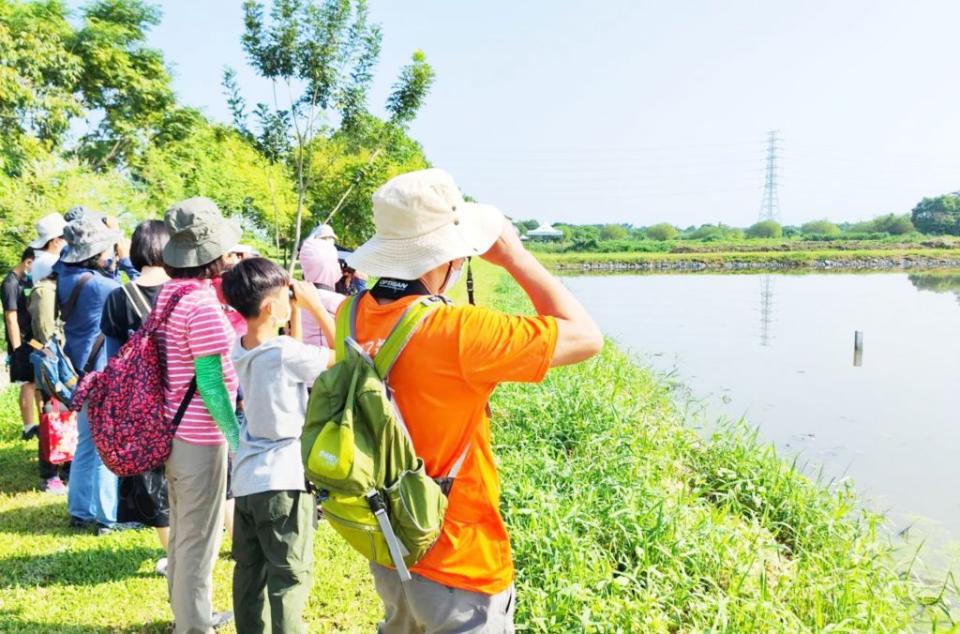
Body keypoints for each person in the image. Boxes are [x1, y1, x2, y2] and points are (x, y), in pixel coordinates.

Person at [343, 168, 603, 633]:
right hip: (459, 559)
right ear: (446, 254)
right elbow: (586, 337)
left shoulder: (352, 312)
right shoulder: (458, 331)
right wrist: (516, 258)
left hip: (390, 541)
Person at [221, 258, 336, 634]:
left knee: (249, 575)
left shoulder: (242, 348)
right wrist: (317, 306)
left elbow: (289, 354)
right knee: (288, 579)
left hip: (249, 480)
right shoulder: (284, 352)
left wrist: (294, 313)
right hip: (284, 481)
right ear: (271, 308)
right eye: (287, 297)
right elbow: (347, 361)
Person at [156, 197, 241, 633]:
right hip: (200, 439)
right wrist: (239, 442)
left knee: (187, 534)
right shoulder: (202, 305)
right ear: (213, 256)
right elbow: (211, 383)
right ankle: (192, 626)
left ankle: (192, 614)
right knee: (198, 541)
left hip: (172, 429)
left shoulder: (171, 295)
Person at [99, 220, 173, 575]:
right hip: (184, 399)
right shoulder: (184, 292)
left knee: (153, 479)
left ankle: (174, 554)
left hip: (141, 403)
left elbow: (114, 361)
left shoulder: (119, 296)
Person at [57, 215, 123, 533]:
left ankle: (80, 510)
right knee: (104, 445)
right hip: (100, 373)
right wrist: (123, 257)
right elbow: (131, 293)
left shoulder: (65, 276)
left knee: (86, 443)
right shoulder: (99, 286)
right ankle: (108, 517)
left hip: (79, 372)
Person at [27, 248, 70, 494]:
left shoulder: (55, 290)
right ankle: (49, 474)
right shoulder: (44, 292)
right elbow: (46, 336)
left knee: (64, 417)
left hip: (60, 363)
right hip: (52, 365)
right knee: (50, 417)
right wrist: (56, 369)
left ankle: (63, 468)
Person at [3, 246, 36, 440]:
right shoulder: (10, 283)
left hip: (32, 339)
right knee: (27, 383)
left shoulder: (25, 281)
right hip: (20, 342)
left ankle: (42, 422)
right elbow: (10, 318)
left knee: (37, 382)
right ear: (28, 262)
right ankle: (28, 428)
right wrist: (17, 350)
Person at [297, 236, 346, 348]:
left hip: (302, 359)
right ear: (332, 266)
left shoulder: (296, 297)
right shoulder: (340, 302)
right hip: (331, 360)